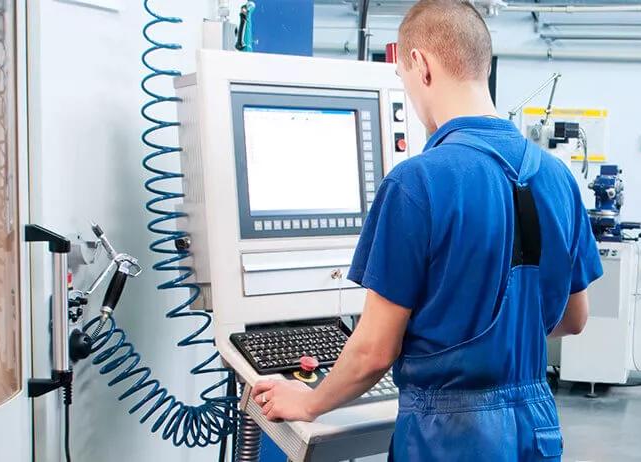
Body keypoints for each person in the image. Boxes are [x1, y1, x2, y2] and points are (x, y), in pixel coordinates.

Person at [249, 0, 603, 460]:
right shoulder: (557, 177)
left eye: (403, 78)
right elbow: (574, 319)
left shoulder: (417, 182)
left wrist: (309, 400)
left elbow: (375, 351)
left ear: (419, 64)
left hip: (449, 438)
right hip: (536, 432)